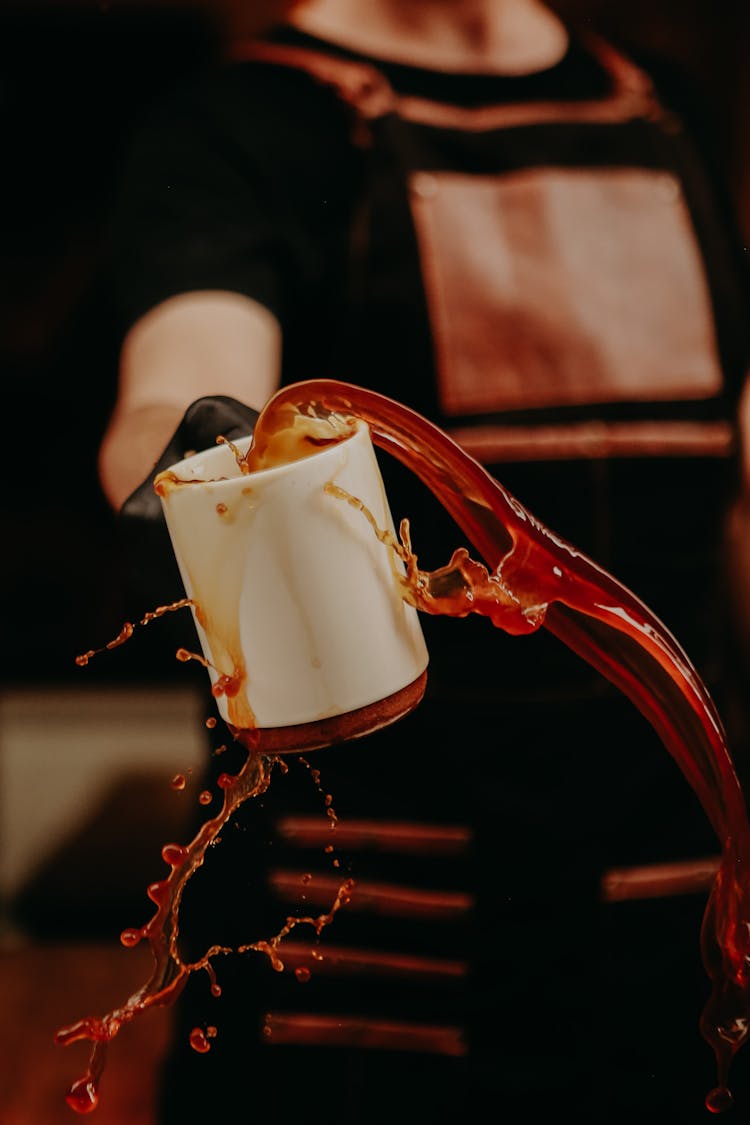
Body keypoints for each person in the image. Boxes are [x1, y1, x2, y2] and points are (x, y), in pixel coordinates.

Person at [97, 1, 750, 1120]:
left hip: (676, 897)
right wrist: (199, 440)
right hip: (369, 923)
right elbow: (185, 364)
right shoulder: (244, 124)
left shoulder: (659, 108)